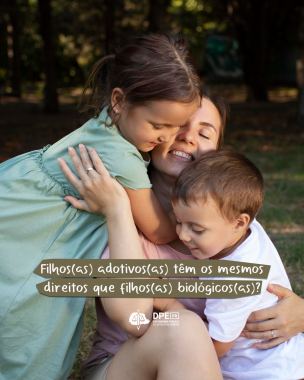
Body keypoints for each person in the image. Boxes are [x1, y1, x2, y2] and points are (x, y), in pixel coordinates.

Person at [61, 88, 304, 379]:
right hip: (122, 367)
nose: (188, 137)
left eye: (204, 133)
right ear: (156, 133)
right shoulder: (119, 217)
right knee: (183, 326)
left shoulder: (230, 229)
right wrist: (117, 211)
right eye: (178, 125)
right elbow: (134, 319)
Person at [0, 33, 201, 380]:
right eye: (159, 126)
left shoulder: (106, 130)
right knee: (22, 316)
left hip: (19, 204)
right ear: (119, 101)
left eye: (177, 126)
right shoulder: (120, 156)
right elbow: (159, 229)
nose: (169, 137)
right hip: (33, 234)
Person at [170, 149, 304, 379]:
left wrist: (167, 304)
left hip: (264, 372)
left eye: (196, 229)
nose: (183, 235)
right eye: (179, 221)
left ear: (239, 222)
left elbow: (215, 347)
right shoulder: (244, 229)